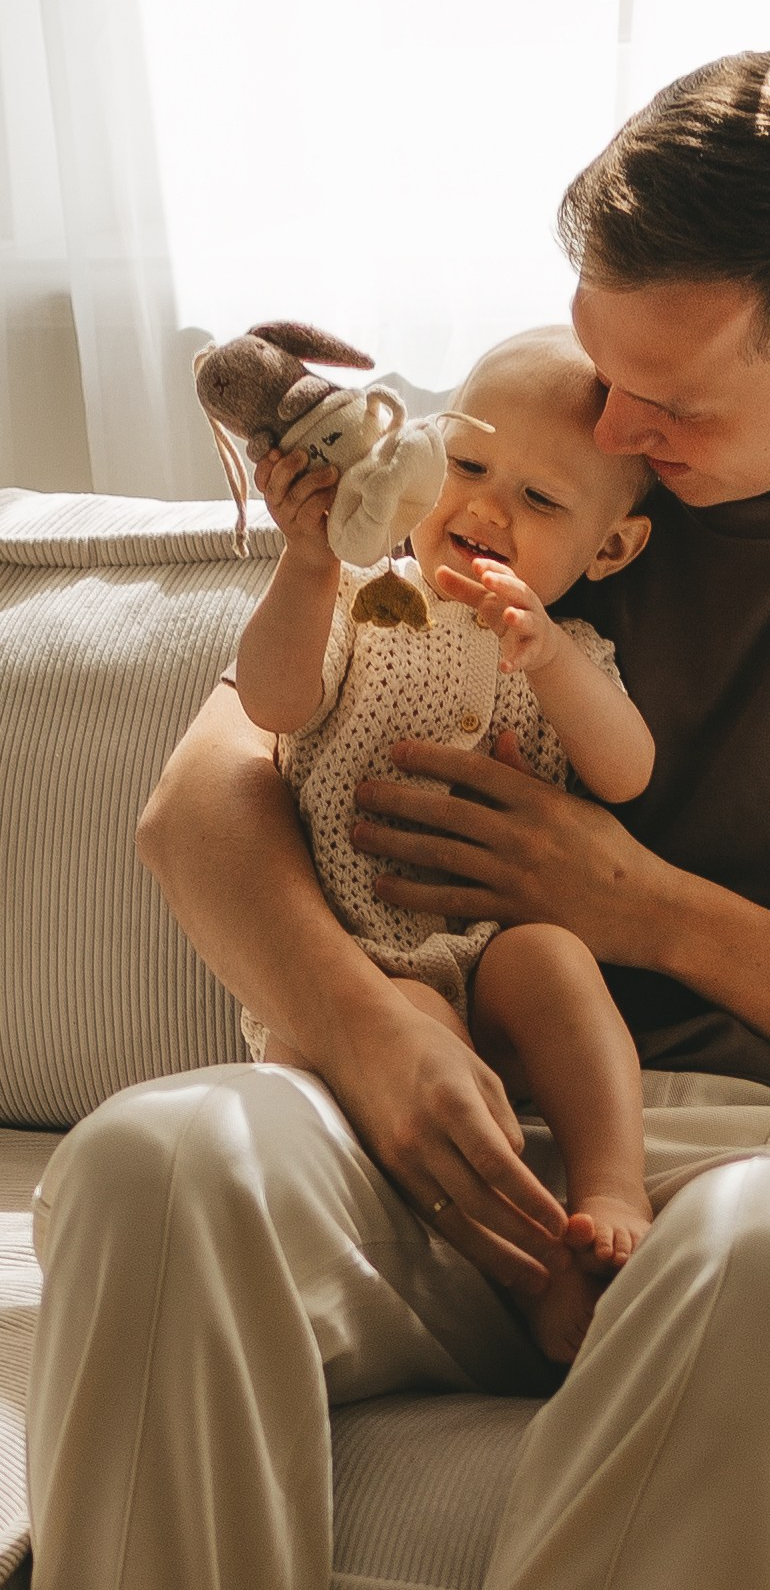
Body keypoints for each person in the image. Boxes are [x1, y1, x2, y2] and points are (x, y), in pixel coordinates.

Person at [26, 49, 770, 1590]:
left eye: (667, 404)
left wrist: (645, 907)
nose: (609, 418)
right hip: (453, 1126)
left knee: (758, 1257)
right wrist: (367, 1033)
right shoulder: (536, 456)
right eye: (603, 356)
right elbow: (203, 803)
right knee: (157, 1156)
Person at [234, 326, 657, 1363]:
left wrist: (551, 658)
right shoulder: (366, 605)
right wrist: (304, 565)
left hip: (496, 944)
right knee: (420, 1030)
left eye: (542, 501)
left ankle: (611, 1181)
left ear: (608, 550)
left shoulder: (571, 650)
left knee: (554, 960)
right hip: (367, 961)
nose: (481, 509)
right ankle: (521, 1274)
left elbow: (627, 771)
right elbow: (273, 701)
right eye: (465, 465)